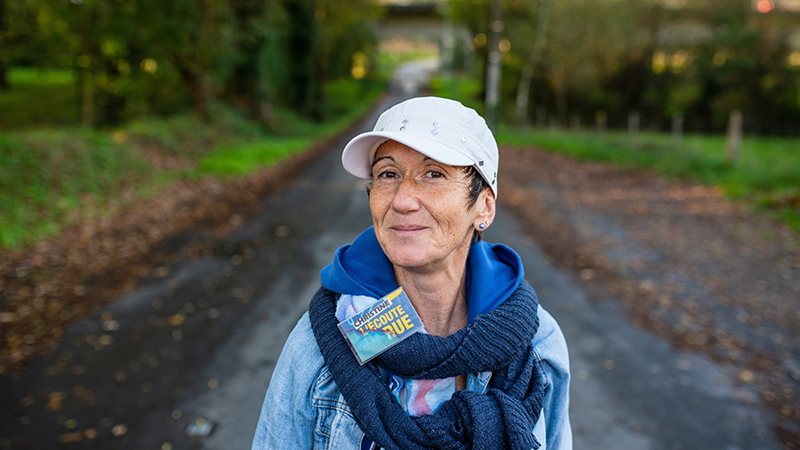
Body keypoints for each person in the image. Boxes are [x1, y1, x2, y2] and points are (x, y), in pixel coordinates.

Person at [252, 97, 572, 450]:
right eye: (388, 174)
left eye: (434, 174)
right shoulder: (321, 343)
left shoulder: (538, 345)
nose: (402, 200)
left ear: (484, 205)